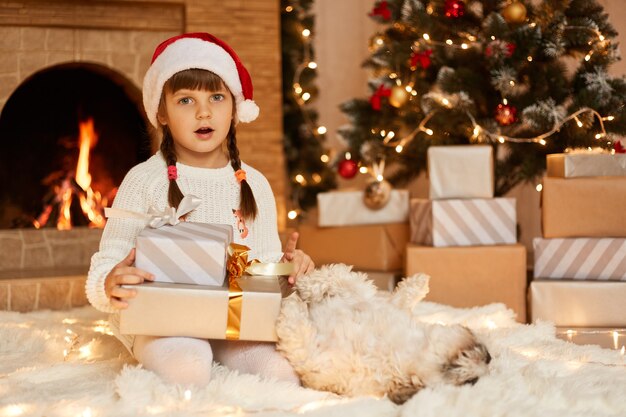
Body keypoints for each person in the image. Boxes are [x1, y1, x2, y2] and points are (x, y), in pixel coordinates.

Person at [86, 32, 314, 387]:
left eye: (217, 97)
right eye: (186, 100)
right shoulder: (144, 180)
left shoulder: (253, 184)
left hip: (232, 315)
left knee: (281, 373)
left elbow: (266, 271)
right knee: (187, 368)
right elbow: (108, 260)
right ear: (161, 112)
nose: (204, 111)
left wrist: (288, 270)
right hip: (162, 317)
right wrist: (109, 282)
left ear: (234, 108)